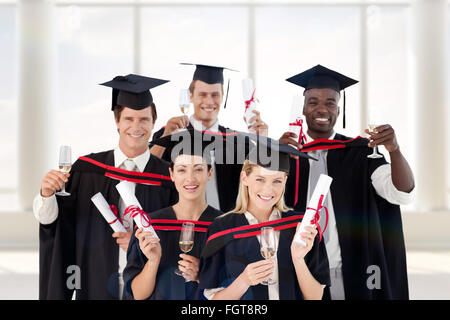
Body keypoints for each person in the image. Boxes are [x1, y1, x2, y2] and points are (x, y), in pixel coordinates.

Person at [34, 74, 178, 300]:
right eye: (129, 119)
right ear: (117, 121)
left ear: (153, 123)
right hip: (96, 282)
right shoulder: (87, 170)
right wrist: (46, 195)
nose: (136, 127)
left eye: (144, 119)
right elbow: (56, 224)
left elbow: (182, 232)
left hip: (151, 288)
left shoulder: (169, 176)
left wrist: (141, 243)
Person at [280, 64, 415, 300]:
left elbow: (401, 193)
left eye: (330, 102)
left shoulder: (361, 153)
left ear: (339, 109)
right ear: (303, 108)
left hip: (350, 271)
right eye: (313, 102)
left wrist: (394, 150)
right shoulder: (285, 154)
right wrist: (273, 158)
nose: (322, 108)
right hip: (299, 271)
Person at [198, 136, 330, 300]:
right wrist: (244, 281)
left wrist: (298, 259)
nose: (268, 190)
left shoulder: (301, 227)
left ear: (285, 181)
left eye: (276, 181)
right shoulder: (221, 228)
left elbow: (315, 296)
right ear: (245, 178)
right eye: (260, 179)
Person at [123, 129, 226, 300]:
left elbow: (238, 290)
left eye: (198, 169)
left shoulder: (225, 226)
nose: (190, 178)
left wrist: (202, 277)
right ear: (171, 174)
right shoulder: (150, 225)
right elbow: (138, 295)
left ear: (209, 173)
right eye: (182, 170)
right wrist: (153, 261)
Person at [151, 64, 268, 212]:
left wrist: (262, 142)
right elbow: (147, 175)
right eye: (203, 94)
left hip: (226, 227)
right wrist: (165, 137)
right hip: (182, 227)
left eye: (215, 95)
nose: (209, 101)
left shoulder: (237, 141)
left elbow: (259, 183)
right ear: (191, 96)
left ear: (223, 96)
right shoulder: (171, 135)